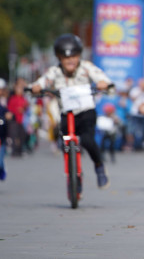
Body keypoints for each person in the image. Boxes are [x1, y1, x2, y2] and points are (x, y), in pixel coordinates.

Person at [31, 34, 111, 189]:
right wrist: (36, 87)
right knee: (65, 142)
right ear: (59, 58)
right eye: (65, 58)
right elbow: (44, 80)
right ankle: (73, 174)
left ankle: (99, 166)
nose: (70, 61)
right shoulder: (55, 71)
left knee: (87, 140)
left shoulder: (86, 68)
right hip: (67, 114)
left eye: (74, 56)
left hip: (86, 112)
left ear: (79, 55)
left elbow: (100, 76)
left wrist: (103, 83)